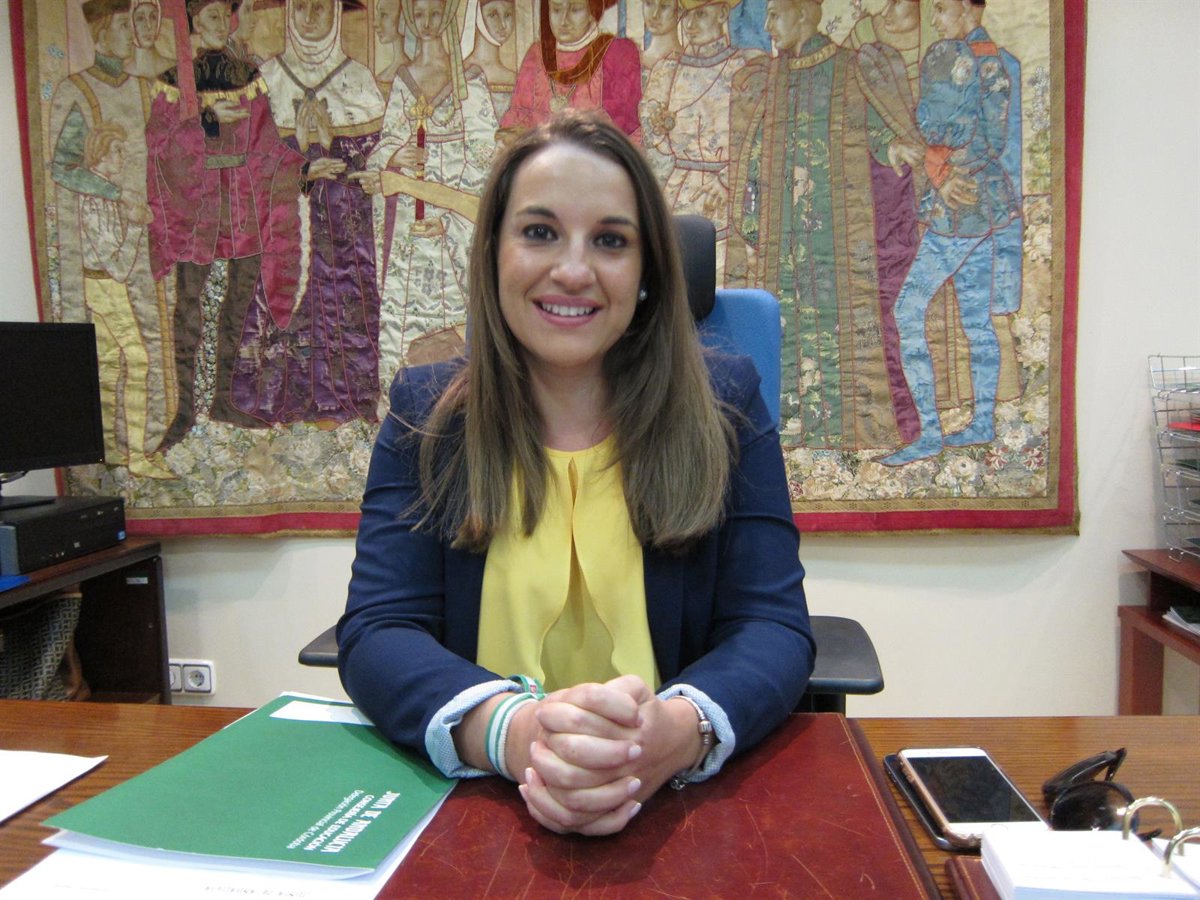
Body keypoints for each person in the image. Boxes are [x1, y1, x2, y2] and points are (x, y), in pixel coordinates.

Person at [338, 110, 814, 836]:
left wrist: (676, 733)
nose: (572, 270)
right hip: (475, 810)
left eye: (611, 241)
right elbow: (379, 629)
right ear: (493, 254)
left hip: (672, 815)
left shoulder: (728, 404)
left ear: (648, 271)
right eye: (539, 232)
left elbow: (772, 626)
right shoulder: (425, 414)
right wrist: (515, 733)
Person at [726, 0, 919, 450]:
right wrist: (751, 213)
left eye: (776, 14)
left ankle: (844, 426)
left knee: (840, 318)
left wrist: (892, 148)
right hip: (783, 228)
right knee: (783, 316)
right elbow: (756, 147)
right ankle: (790, 421)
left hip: (838, 225)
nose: (768, 25)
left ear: (804, 14)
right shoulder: (771, 77)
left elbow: (875, 126)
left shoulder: (850, 67)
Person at [145, 0, 305, 448]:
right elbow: (159, 147)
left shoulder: (246, 76)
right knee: (189, 306)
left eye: (224, 15)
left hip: (242, 207)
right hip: (197, 210)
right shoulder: (173, 81)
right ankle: (182, 410)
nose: (221, 23)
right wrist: (208, 121)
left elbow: (267, 145)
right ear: (194, 21)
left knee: (238, 305)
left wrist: (304, 170)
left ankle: (223, 401)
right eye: (210, 15)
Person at [879, 0, 1022, 465]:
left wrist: (939, 172)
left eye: (941, 8)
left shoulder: (958, 59)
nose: (936, 18)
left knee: (907, 310)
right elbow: (991, 142)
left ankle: (929, 434)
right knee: (976, 320)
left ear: (965, 8)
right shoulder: (993, 60)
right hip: (987, 204)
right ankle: (982, 423)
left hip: (961, 208)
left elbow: (950, 135)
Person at [233, 0, 386, 426]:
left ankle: (347, 396)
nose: (311, 17)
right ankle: (286, 397)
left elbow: (375, 156)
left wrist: (334, 146)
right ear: (289, 14)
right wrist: (301, 156)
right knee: (289, 296)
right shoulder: (268, 78)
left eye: (321, 7)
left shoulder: (358, 78)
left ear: (336, 13)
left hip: (344, 223)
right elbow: (253, 161)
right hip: (288, 223)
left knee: (347, 297)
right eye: (302, 7)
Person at [350, 0, 498, 389]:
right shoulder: (404, 79)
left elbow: (482, 161)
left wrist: (447, 218)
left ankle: (461, 398)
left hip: (453, 224)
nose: (427, 23)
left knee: (456, 317)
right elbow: (385, 145)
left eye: (435, 13)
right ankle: (402, 397)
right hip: (408, 225)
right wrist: (395, 155)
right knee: (405, 319)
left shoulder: (471, 81)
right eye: (419, 14)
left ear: (449, 15)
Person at [640, 0, 762, 275]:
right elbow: (655, 139)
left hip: (726, 192)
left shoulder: (744, 67)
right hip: (679, 189)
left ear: (722, 14)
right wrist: (657, 124)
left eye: (701, 15)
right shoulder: (667, 70)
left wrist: (728, 180)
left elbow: (759, 140)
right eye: (687, 16)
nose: (691, 25)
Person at [499, 0, 643, 143]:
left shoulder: (617, 53)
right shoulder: (536, 54)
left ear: (593, 13)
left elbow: (623, 130)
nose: (564, 21)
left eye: (575, 9)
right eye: (556, 9)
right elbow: (517, 118)